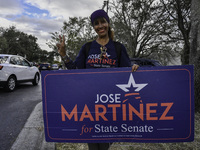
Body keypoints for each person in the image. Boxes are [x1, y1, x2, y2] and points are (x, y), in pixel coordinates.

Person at [57, 9, 139, 150]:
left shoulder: (118, 48)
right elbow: (76, 71)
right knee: (93, 144)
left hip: (111, 105)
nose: (100, 26)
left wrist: (135, 69)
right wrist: (64, 55)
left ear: (108, 23)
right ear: (93, 27)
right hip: (90, 105)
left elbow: (126, 74)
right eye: (96, 23)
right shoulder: (88, 48)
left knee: (105, 144)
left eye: (103, 22)